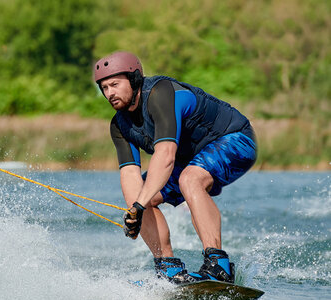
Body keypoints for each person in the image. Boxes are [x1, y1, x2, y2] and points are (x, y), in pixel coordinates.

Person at [94, 51, 257, 284]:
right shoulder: (119, 126)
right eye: (104, 88)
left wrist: (139, 203)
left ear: (134, 79)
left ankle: (218, 265)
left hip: (235, 139)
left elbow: (166, 155)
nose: (109, 93)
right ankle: (168, 267)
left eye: (114, 85)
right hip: (189, 159)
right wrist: (135, 211)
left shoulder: (160, 94)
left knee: (190, 179)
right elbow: (130, 174)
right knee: (143, 197)